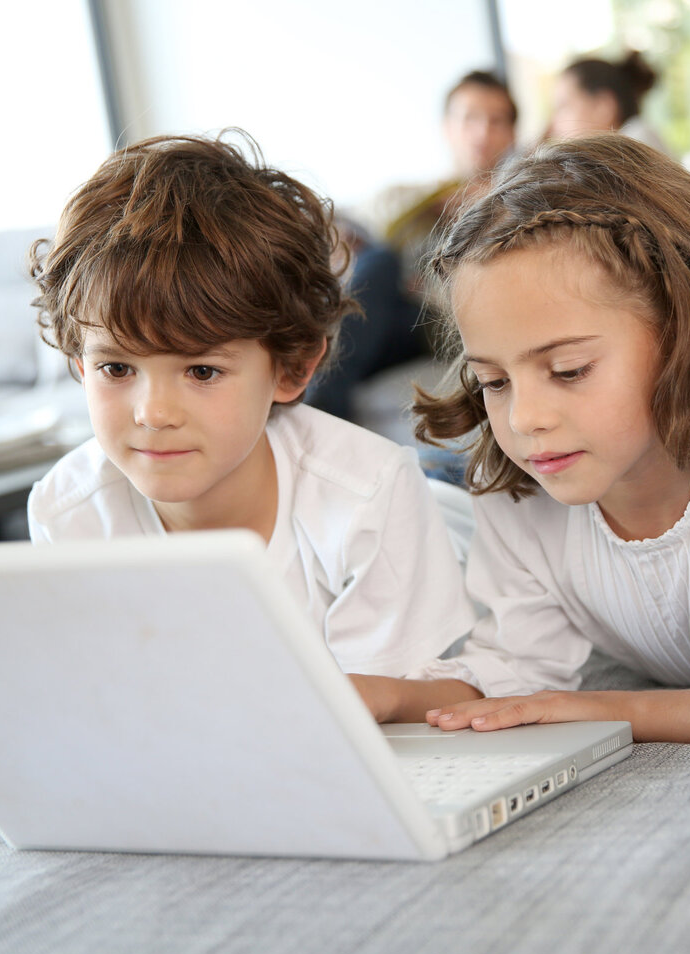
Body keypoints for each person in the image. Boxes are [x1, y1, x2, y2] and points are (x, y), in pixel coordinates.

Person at [354, 120, 690, 747]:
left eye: (569, 370)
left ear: (683, 340)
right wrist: (386, 694)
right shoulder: (525, 491)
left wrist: (616, 709)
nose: (523, 418)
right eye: (494, 380)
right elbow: (514, 672)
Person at [25, 131, 478, 700]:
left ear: (291, 370)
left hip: (453, 532)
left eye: (202, 372)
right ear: (78, 364)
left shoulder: (368, 498)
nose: (154, 412)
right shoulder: (66, 509)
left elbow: (407, 705)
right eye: (116, 369)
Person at [307, 71, 518, 423]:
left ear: (511, 134)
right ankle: (317, 395)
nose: (482, 133)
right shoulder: (411, 197)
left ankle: (319, 406)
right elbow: (341, 221)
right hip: (386, 319)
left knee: (382, 263)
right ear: (447, 127)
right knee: (377, 261)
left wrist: (486, 209)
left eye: (496, 121)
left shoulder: (515, 203)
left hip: (438, 323)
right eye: (470, 119)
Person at [548, 50, 666, 151]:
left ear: (602, 107)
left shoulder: (633, 149)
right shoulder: (636, 139)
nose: (554, 124)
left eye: (563, 107)